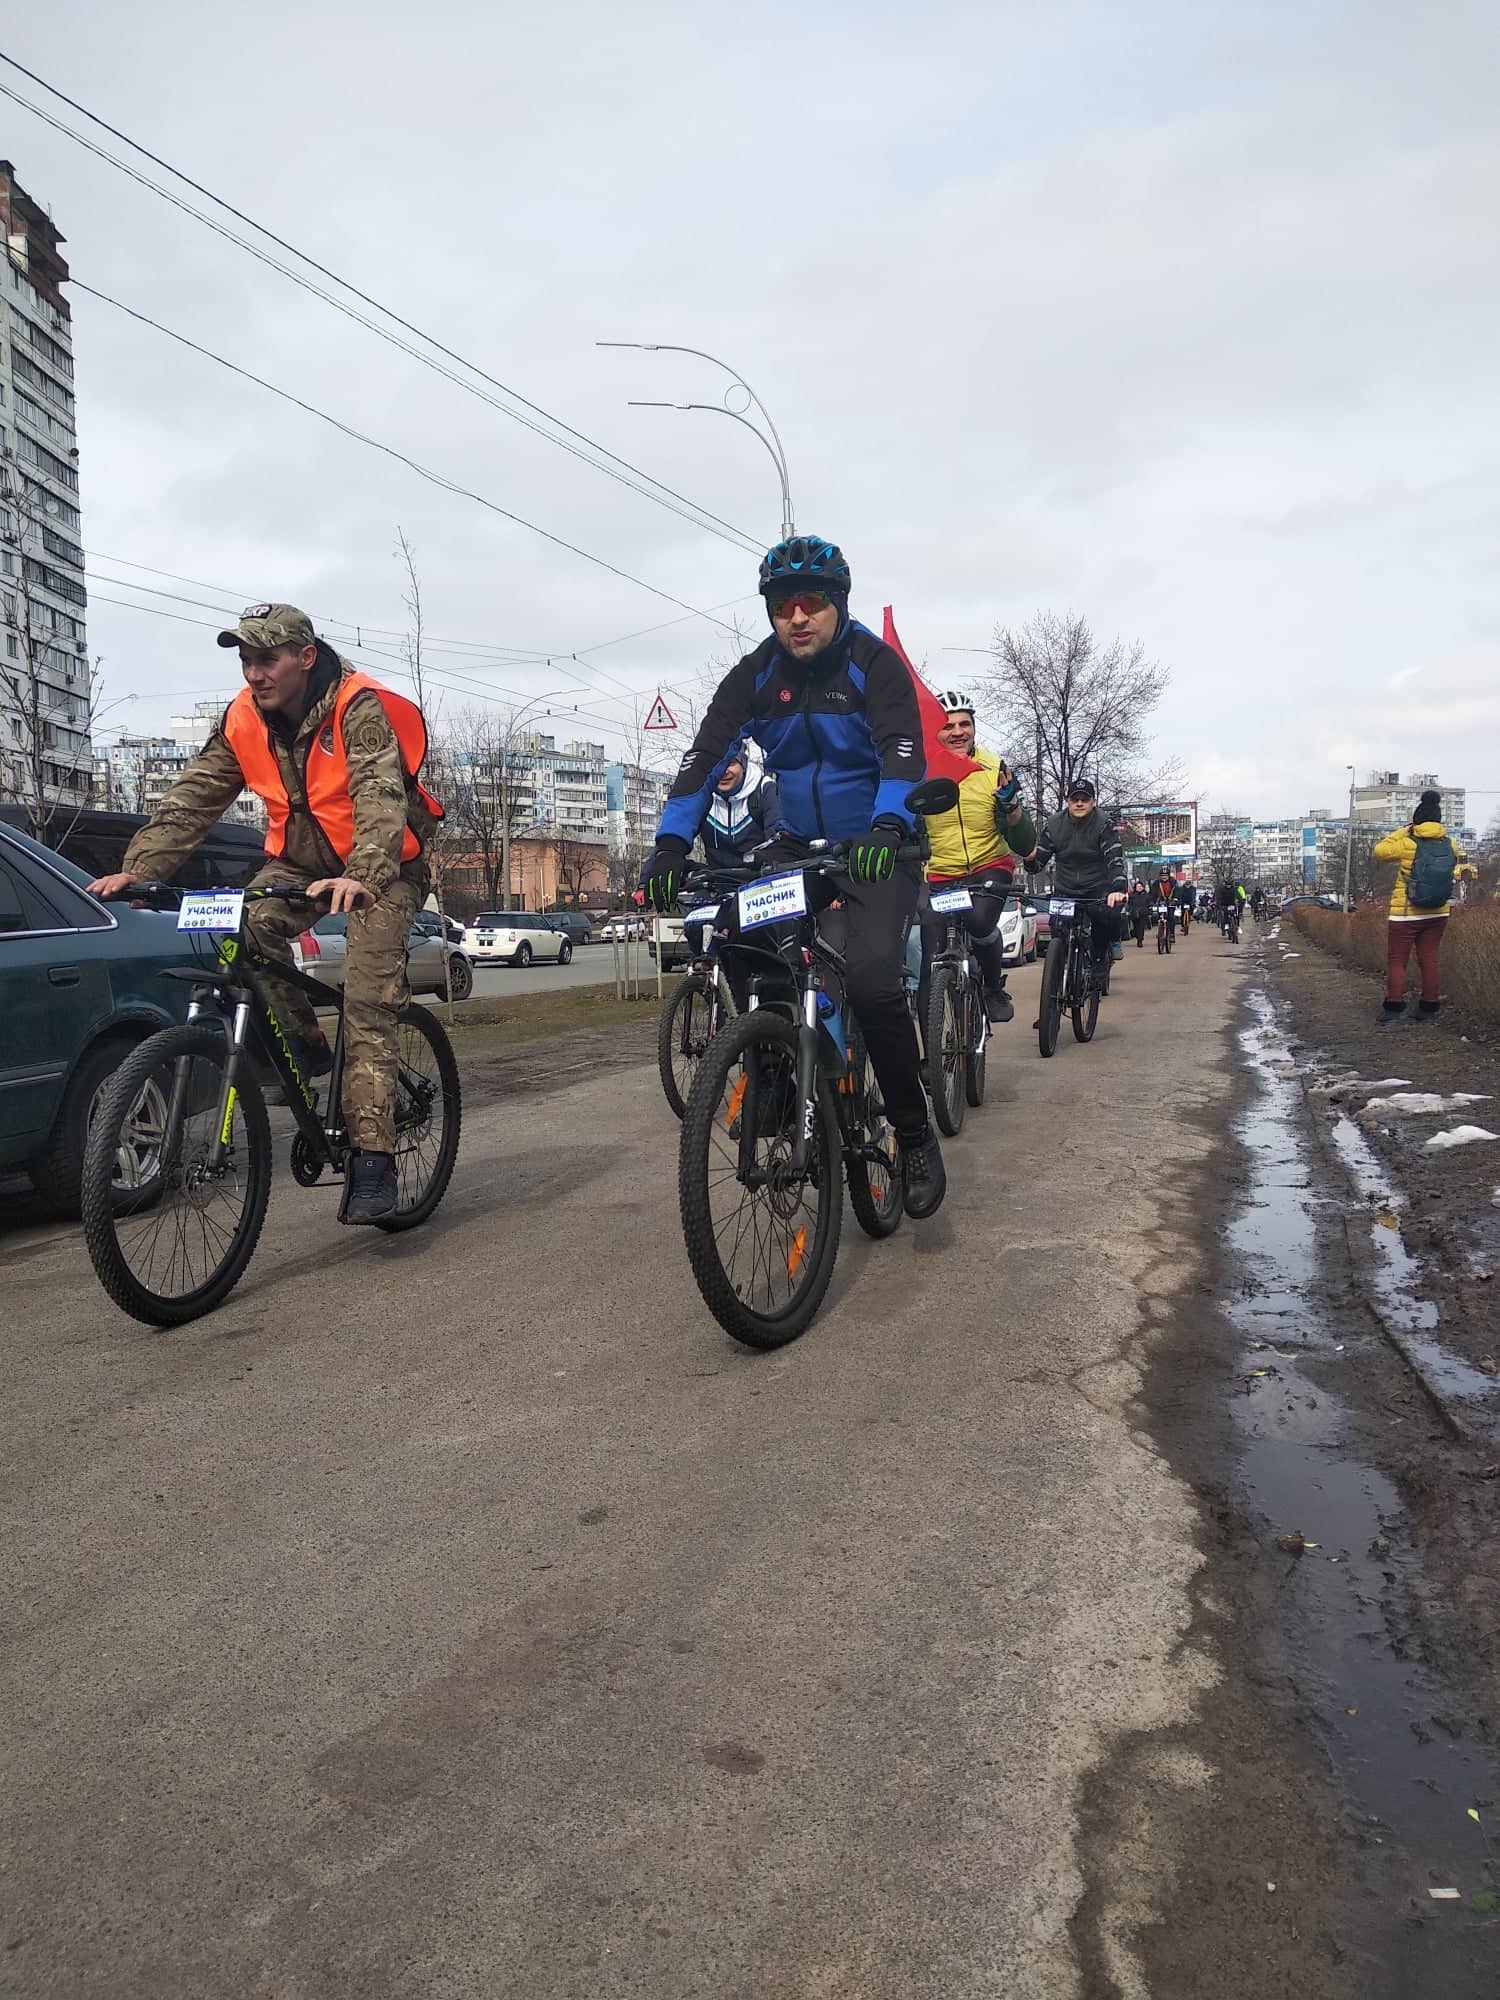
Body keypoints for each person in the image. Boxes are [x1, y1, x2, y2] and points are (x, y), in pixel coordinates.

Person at [86, 603, 442, 1223]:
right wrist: (142, 870)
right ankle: (307, 1052)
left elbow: (380, 796)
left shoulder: (356, 707)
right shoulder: (244, 718)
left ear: (305, 658)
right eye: (246, 660)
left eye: (267, 658)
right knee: (243, 931)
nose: (254, 673)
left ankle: (373, 1157)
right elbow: (193, 798)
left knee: (367, 993)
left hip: (382, 868)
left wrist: (362, 876)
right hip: (299, 866)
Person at [640, 535, 944, 1219]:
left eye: (811, 602)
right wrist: (668, 844)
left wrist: (889, 826)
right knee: (743, 938)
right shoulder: (755, 674)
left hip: (876, 847)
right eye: (782, 605)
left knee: (869, 978)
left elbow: (902, 752)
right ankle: (775, 1064)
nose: (797, 616)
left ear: (837, 604)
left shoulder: (874, 664)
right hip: (793, 847)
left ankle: (916, 1132)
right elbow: (702, 757)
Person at [916, 690, 1034, 1028]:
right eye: (948, 725)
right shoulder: (922, 770)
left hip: (988, 866)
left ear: (974, 728)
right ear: (935, 730)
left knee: (981, 921)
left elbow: (1024, 841)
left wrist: (1012, 808)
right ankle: (931, 1059)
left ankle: (994, 987)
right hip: (940, 874)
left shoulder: (994, 767)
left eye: (964, 724)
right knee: (929, 960)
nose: (957, 732)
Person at [1014, 779, 1128, 1001]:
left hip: (1096, 889)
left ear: (1093, 802)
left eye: (1084, 800)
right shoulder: (1055, 824)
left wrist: (1118, 888)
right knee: (1058, 936)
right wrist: (1030, 860)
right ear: (1068, 801)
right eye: (1074, 799)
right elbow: (1040, 859)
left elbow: (1115, 859)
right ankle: (1051, 1002)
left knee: (1103, 919)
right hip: (1065, 891)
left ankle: (1098, 964)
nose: (1079, 803)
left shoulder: (1104, 824)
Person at [1373, 789, 1475, 1025]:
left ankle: (1393, 1009)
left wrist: (1404, 830)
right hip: (1439, 911)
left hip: (1406, 914)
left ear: (1416, 820)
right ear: (1439, 820)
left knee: (1397, 960)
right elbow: (1460, 863)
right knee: (1429, 959)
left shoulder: (1408, 843)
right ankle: (1428, 1007)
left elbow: (1380, 851)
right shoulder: (1450, 843)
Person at [1127, 877, 1153, 947]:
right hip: (1134, 914)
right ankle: (1136, 935)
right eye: (1138, 887)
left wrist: (1150, 910)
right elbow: (1129, 904)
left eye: (1140, 886)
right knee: (1136, 928)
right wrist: (1128, 911)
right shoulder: (1132, 895)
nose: (1139, 888)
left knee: (1141, 927)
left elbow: (1150, 903)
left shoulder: (1146, 895)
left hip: (1143, 913)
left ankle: (1140, 941)